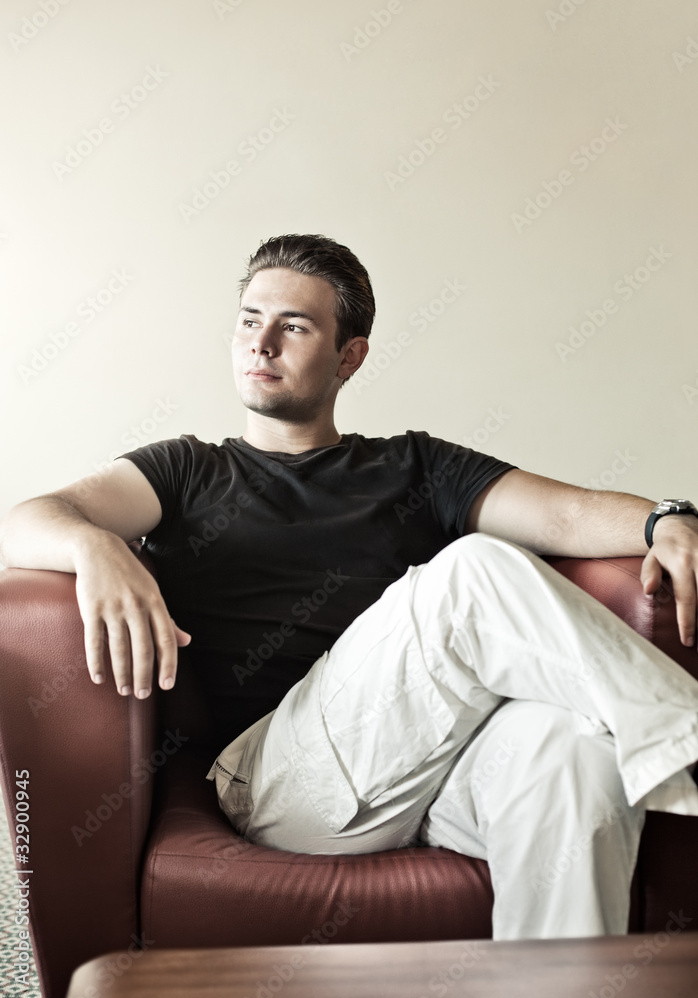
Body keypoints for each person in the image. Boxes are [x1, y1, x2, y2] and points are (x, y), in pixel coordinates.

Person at [2, 233, 698, 940]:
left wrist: (668, 518)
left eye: (294, 326)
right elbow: (29, 519)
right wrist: (94, 543)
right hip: (281, 784)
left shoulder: (417, 467)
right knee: (472, 570)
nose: (261, 343)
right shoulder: (184, 471)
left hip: (431, 769)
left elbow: (569, 513)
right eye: (250, 320)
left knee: (576, 753)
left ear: (349, 356)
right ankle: (688, 736)